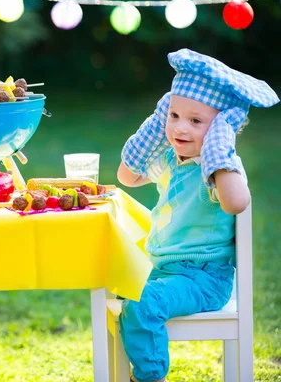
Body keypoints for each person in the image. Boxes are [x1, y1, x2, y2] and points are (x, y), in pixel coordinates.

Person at [117, 48, 279, 382]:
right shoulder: (172, 162)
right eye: (173, 115)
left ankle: (148, 377)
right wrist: (154, 126)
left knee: (142, 302)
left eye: (196, 121)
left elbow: (236, 202)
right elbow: (127, 175)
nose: (180, 128)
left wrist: (219, 147)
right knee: (120, 286)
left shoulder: (221, 172)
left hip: (203, 279)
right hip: (165, 271)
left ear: (220, 128)